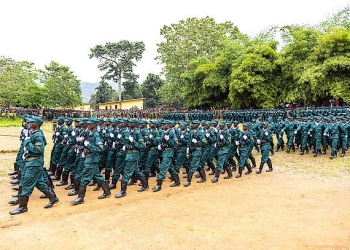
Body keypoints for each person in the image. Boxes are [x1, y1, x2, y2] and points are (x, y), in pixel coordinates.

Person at [9, 116, 59, 215]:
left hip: (34, 163)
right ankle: (53, 198)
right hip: (32, 162)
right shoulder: (34, 133)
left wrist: (27, 142)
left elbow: (39, 150)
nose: (29, 123)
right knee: (39, 183)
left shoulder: (38, 135)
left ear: (37, 124)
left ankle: (23, 207)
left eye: (32, 122)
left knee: (25, 184)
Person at [70, 118, 111, 205]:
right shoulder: (89, 133)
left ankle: (80, 198)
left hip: (91, 159)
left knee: (84, 178)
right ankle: (107, 191)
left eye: (90, 124)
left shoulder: (96, 135)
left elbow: (100, 148)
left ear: (94, 125)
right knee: (98, 176)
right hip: (88, 157)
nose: (88, 125)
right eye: (87, 124)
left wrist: (89, 145)